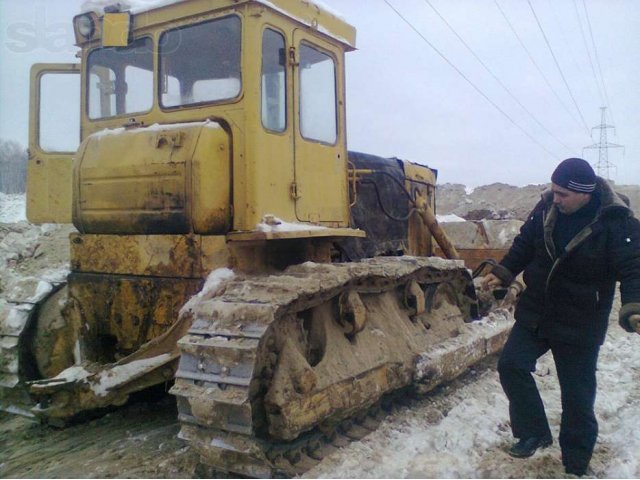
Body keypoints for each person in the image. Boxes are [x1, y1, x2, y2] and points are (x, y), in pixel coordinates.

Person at [482, 157, 640, 476]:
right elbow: (524, 244)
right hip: (538, 311)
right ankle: (534, 433)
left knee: (577, 396)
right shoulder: (545, 210)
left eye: (563, 194)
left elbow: (634, 268)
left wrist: (634, 306)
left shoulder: (617, 222)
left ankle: (576, 460)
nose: (555, 198)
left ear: (585, 193)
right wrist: (504, 271)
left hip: (581, 318)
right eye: (554, 191)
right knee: (511, 365)